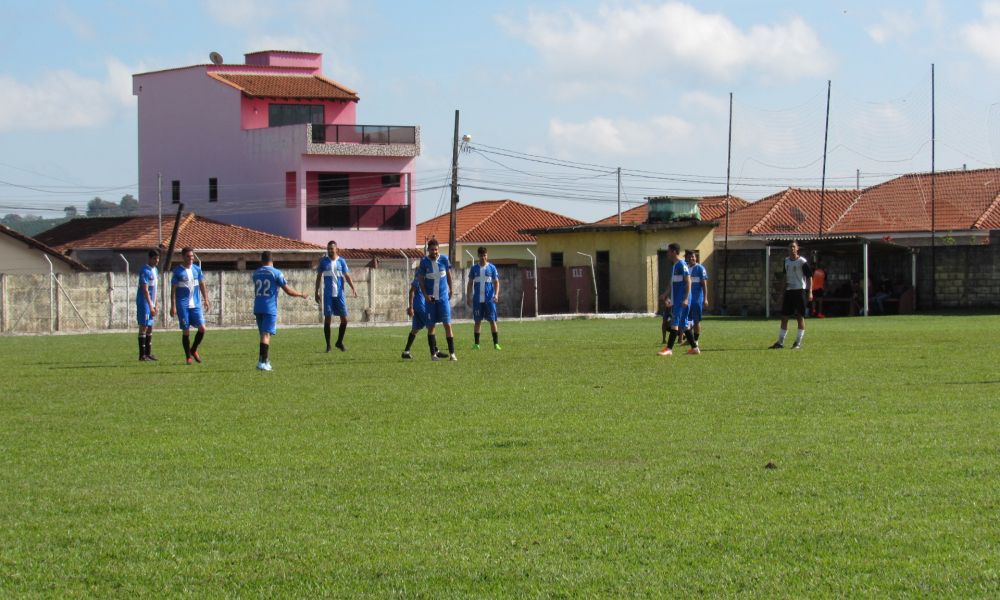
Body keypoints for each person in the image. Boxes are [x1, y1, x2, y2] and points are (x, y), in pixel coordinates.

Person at [252, 251, 310, 371]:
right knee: (266, 335)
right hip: (269, 307)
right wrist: (301, 294)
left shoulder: (256, 273)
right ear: (273, 260)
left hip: (258, 306)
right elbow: (288, 291)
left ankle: (265, 360)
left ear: (261, 260)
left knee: (264, 334)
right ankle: (261, 362)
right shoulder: (276, 273)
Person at [416, 239, 457, 361]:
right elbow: (421, 280)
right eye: (432, 250)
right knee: (431, 326)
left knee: (447, 325)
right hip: (431, 300)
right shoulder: (424, 262)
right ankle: (433, 354)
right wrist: (425, 295)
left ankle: (452, 354)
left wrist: (452, 290)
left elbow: (449, 275)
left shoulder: (444, 259)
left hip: (443, 299)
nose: (434, 252)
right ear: (428, 250)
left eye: (436, 249)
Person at [314, 241, 358, 352]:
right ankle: (328, 346)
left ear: (336, 249)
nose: (329, 251)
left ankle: (339, 342)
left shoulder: (341, 261)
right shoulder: (324, 262)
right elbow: (319, 276)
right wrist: (316, 292)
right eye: (328, 249)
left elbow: (347, 275)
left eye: (331, 249)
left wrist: (353, 288)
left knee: (345, 319)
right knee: (328, 319)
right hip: (328, 295)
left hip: (339, 295)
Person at [658, 243, 699, 356]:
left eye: (669, 251)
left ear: (674, 252)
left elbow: (689, 281)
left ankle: (669, 349)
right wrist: (665, 294)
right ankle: (695, 348)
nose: (667, 254)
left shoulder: (682, 265)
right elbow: (671, 284)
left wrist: (686, 299)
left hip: (682, 299)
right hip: (677, 299)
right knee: (684, 324)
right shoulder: (674, 266)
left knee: (675, 321)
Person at [170, 247, 210, 364]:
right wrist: (173, 306)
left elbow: (202, 284)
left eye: (192, 256)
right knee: (186, 331)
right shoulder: (177, 271)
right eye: (188, 256)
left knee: (202, 328)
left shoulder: (197, 269)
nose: (190, 258)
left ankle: (193, 350)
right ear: (183, 257)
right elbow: (173, 290)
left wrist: (206, 300)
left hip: (195, 304)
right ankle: (188, 357)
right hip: (183, 305)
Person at [770, 241, 812, 349]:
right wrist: (781, 293)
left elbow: (809, 276)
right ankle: (780, 342)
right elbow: (785, 277)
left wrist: (810, 291)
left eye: (794, 247)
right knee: (784, 317)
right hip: (789, 291)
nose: (792, 249)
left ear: (797, 248)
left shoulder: (802, 261)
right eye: (790, 247)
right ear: (787, 248)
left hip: (799, 291)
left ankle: (798, 343)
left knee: (800, 317)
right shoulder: (787, 261)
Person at [466, 247, 501, 350]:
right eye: (481, 255)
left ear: (487, 255)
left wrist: (496, 294)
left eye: (484, 255)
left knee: (492, 320)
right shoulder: (474, 268)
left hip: (489, 299)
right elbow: (470, 283)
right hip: (477, 299)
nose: (483, 257)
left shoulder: (492, 268)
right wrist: (469, 296)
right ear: (478, 256)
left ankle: (496, 343)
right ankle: (477, 344)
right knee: (477, 321)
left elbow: (496, 282)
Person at [136, 250, 160, 361]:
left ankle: (149, 353)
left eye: (157, 258)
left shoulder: (155, 270)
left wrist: (156, 303)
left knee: (150, 326)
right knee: (144, 326)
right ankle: (142, 355)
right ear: (149, 258)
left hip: (152, 302)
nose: (156, 260)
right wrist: (150, 305)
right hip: (144, 302)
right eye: (154, 258)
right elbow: (145, 290)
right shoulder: (144, 271)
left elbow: (155, 289)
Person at [685, 249, 709, 346]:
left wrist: (706, 298)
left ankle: (696, 339)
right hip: (687, 298)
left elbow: (704, 284)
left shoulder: (700, 269)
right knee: (687, 319)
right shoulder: (686, 268)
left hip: (697, 298)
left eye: (693, 257)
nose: (691, 259)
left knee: (696, 319)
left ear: (696, 258)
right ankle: (689, 339)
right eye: (689, 257)